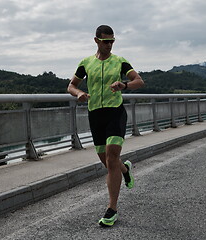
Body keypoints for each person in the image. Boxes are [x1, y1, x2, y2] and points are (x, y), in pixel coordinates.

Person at [67, 25, 144, 227]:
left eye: (112, 41)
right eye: (105, 41)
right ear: (96, 41)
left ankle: (112, 209)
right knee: (108, 162)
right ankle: (125, 170)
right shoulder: (86, 63)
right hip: (95, 115)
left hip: (115, 113)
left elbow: (139, 81)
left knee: (111, 156)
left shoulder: (119, 61)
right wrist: (79, 94)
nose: (109, 45)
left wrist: (124, 85)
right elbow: (71, 85)